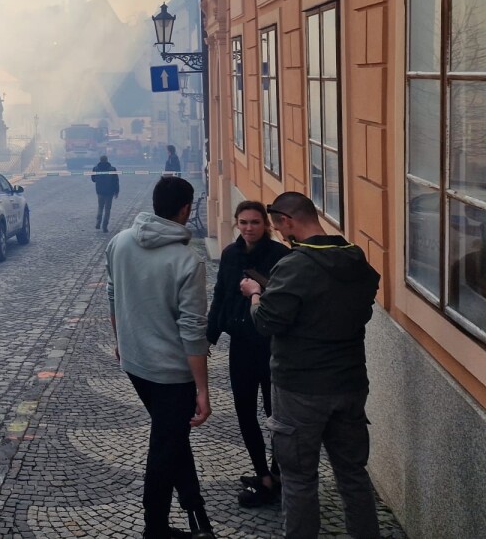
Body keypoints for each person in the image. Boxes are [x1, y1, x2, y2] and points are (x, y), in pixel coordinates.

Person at [239, 191, 381, 539]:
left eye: (278, 227)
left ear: (288, 221)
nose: (279, 234)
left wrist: (255, 295)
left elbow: (267, 322)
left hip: (300, 387)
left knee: (299, 479)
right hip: (349, 383)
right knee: (353, 474)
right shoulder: (355, 257)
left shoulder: (295, 265)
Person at [107, 176, 216, 539]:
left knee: (172, 436)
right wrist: (203, 388)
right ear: (185, 209)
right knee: (164, 448)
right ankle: (155, 529)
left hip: (134, 362)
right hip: (172, 373)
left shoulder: (120, 242)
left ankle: (195, 509)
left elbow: (112, 295)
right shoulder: (188, 261)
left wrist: (120, 341)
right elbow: (192, 330)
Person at [206, 201, 290, 507]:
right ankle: (262, 474)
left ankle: (278, 474)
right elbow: (220, 294)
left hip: (270, 344)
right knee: (244, 410)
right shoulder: (230, 253)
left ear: (265, 224)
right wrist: (209, 336)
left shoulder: (280, 255)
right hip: (240, 343)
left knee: (274, 412)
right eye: (243, 222)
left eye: (254, 222)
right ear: (236, 223)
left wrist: (258, 290)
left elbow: (285, 300)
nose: (248, 228)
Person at [90, 154, 120, 233]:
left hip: (100, 191)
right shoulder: (112, 169)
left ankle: (98, 222)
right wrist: (117, 191)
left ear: (100, 160)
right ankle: (105, 226)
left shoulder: (95, 168)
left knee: (100, 207)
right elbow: (116, 181)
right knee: (107, 209)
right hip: (110, 192)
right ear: (107, 160)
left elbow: (93, 179)